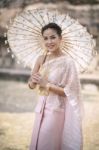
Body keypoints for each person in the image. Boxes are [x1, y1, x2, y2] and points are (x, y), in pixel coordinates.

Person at [28, 23, 83, 150]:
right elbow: (31, 85)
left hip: (56, 110)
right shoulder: (41, 59)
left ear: (60, 38)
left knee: (46, 144)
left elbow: (70, 92)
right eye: (45, 38)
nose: (49, 41)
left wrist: (46, 84)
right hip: (40, 109)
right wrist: (33, 82)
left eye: (53, 37)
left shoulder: (68, 62)